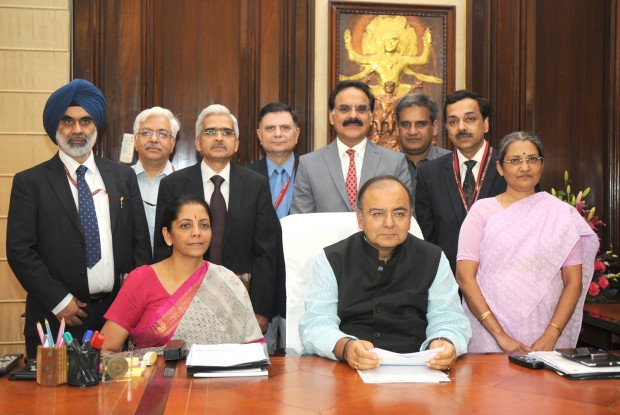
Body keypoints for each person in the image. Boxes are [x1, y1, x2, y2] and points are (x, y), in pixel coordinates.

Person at [6, 79, 151, 357]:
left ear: (95, 126)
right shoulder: (30, 182)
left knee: (117, 398)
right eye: (67, 121)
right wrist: (59, 301)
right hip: (56, 317)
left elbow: (140, 246)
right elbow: (20, 251)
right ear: (55, 127)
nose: (77, 130)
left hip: (116, 318)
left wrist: (129, 305)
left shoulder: (123, 177)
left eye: (85, 121)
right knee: (55, 400)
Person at [299, 176, 470, 371]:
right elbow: (316, 323)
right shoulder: (332, 258)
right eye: (377, 213)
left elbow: (448, 317)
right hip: (350, 369)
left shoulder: (433, 257)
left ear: (409, 217)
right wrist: (346, 347)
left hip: (418, 369)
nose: (389, 223)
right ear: (360, 219)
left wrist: (444, 342)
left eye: (399, 213)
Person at [456, 132, 599, 353]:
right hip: (489, 335)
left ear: (542, 165)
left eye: (532, 159)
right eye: (515, 161)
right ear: (501, 168)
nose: (525, 167)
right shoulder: (481, 212)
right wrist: (500, 336)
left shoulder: (561, 214)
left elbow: (573, 282)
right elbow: (465, 277)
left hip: (547, 338)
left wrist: (551, 334)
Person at [153, 104, 282, 334]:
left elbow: (267, 250)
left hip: (242, 302)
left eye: (227, 132)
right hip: (184, 301)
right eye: (210, 132)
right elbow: (163, 248)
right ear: (197, 142)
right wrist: (166, 303)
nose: (219, 138)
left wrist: (261, 308)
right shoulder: (172, 185)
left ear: (237, 144)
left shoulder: (256, 184)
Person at [101, 196, 263, 352]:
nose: (197, 232)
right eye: (186, 226)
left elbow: (253, 349)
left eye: (204, 225)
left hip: (217, 378)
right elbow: (106, 348)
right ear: (167, 235)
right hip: (153, 379)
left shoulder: (227, 281)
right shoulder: (141, 280)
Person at [415, 90, 506, 274]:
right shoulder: (429, 173)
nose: (461, 127)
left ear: (486, 124)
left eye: (470, 119)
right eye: (453, 121)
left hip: (502, 278)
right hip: (449, 283)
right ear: (446, 128)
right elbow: (428, 240)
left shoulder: (509, 167)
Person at [290, 80, 412, 214]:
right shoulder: (309, 164)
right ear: (332, 117)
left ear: (371, 117)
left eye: (361, 109)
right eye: (344, 109)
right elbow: (300, 223)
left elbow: (405, 217)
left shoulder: (395, 163)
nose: (353, 115)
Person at [248, 102, 299, 353]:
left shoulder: (312, 172)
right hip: (259, 285)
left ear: (297, 133)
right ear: (259, 135)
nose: (278, 134)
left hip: (300, 283)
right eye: (270, 128)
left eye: (285, 127)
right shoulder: (245, 177)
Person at [132, 106, 179, 251]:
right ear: (135, 141)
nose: (153, 139)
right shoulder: (119, 182)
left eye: (162, 134)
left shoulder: (184, 183)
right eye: (146, 132)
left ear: (172, 144)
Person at [396, 93, 450, 207]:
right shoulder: (387, 165)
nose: (412, 131)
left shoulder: (452, 163)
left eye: (420, 124)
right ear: (397, 129)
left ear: (434, 128)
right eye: (405, 124)